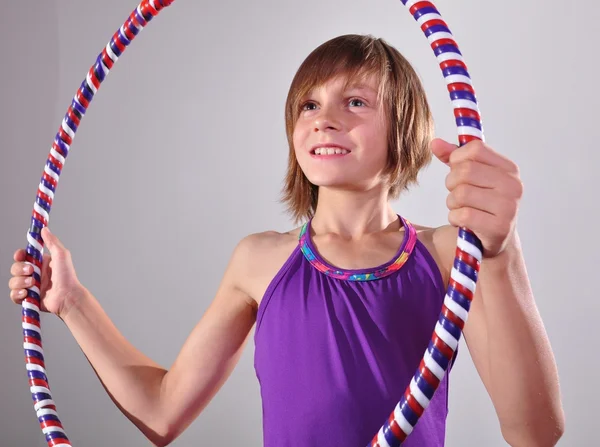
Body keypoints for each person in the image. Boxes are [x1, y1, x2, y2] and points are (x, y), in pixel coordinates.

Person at [8, 34, 564, 446]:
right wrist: (73, 303)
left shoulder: (448, 254)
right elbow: (160, 412)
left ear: (405, 128)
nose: (325, 120)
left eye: (356, 102)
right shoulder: (260, 261)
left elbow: (536, 431)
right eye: (309, 104)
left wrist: (499, 251)